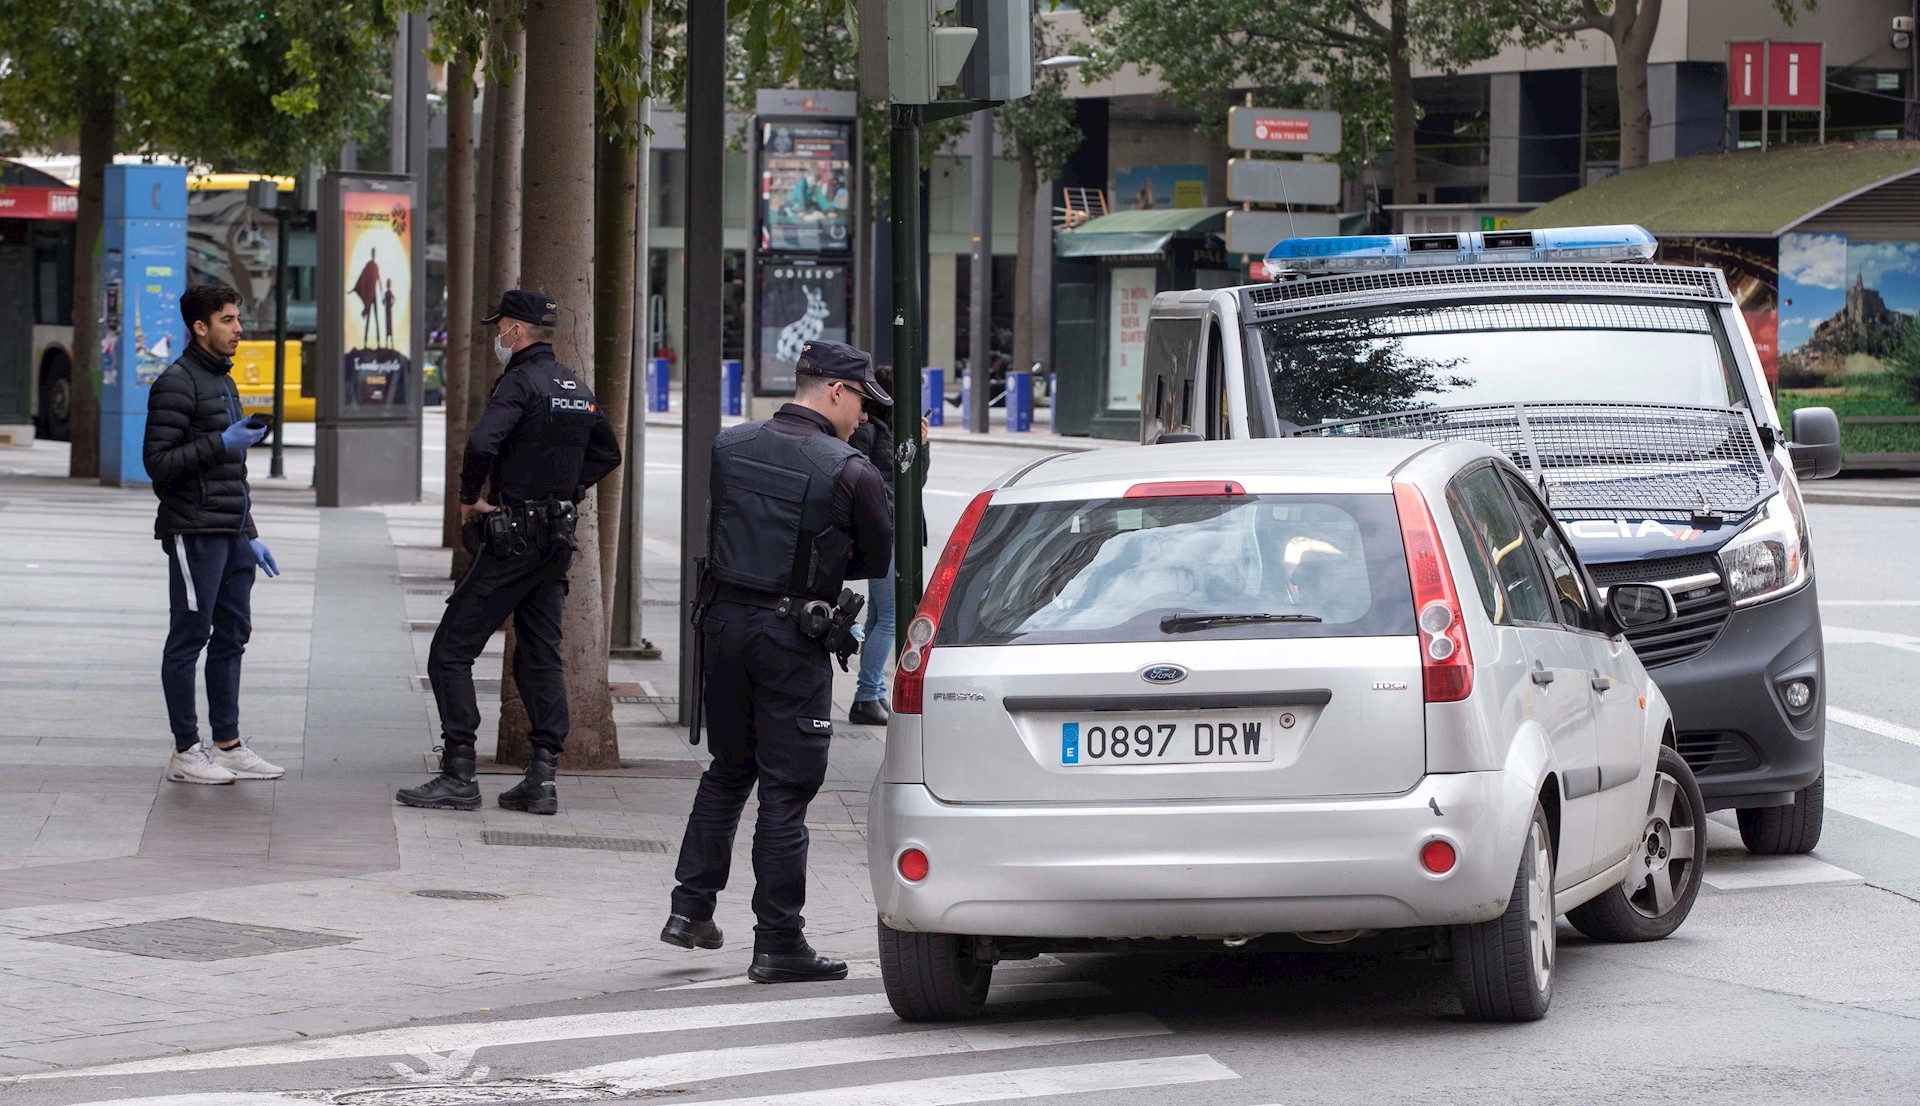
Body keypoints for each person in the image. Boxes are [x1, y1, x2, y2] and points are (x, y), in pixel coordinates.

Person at [663, 339, 893, 984]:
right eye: (863, 404)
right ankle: (779, 941)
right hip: (791, 636)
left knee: (728, 770)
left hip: (723, 624)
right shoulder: (849, 470)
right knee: (786, 791)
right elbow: (877, 558)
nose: (865, 418)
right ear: (836, 392)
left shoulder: (730, 444)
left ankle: (690, 911)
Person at [396, 290, 622, 816]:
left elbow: (482, 443)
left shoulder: (520, 382)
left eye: (499, 327)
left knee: (450, 651)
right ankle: (541, 778)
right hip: (556, 542)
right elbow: (607, 453)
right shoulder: (574, 385)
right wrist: (566, 491)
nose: (497, 335)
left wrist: (469, 498)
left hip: (513, 538)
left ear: (516, 330)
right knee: (540, 654)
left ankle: (458, 773)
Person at [143, 283, 284, 785]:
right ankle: (186, 751)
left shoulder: (222, 380)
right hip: (194, 529)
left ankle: (228, 744)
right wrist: (221, 441)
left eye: (237, 318)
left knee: (232, 636)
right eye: (227, 319)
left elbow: (232, 472)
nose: (238, 328)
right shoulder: (176, 383)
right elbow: (158, 463)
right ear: (199, 327)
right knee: (190, 636)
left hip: (230, 532)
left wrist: (250, 532)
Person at [846, 365, 929, 727]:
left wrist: (922, 446)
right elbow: (863, 482)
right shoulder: (868, 431)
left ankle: (871, 693)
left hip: (896, 530)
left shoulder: (896, 430)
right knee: (892, 616)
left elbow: (916, 481)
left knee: (880, 616)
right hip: (886, 532)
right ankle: (867, 695)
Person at [352, 247, 381, 349]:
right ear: (371, 253)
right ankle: (365, 342)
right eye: (373, 252)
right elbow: (362, 276)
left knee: (376, 318)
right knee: (369, 319)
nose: (373, 254)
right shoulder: (369, 265)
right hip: (370, 295)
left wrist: (382, 294)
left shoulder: (375, 266)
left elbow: (379, 280)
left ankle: (378, 342)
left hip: (374, 295)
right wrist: (356, 287)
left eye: (374, 252)